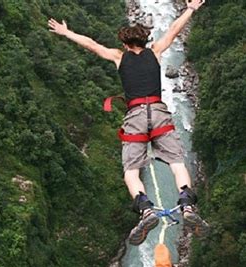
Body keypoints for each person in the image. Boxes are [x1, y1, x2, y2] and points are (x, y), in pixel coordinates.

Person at [49, 0, 209, 245]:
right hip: (159, 114)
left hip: (135, 117)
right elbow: (174, 30)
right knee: (176, 162)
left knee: (131, 171)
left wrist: (66, 32)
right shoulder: (155, 52)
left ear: (124, 44)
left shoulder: (118, 57)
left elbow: (91, 45)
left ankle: (146, 209)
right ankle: (187, 205)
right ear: (145, 42)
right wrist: (190, 9)